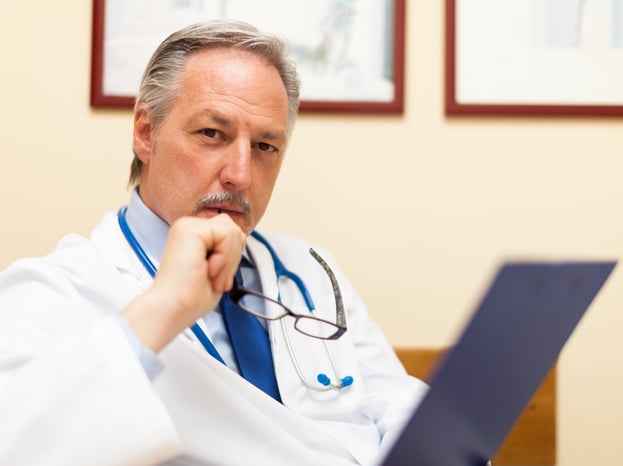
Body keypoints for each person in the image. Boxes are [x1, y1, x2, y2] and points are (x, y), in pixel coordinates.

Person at [0, 19, 427, 466]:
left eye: (265, 146)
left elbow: (397, 404)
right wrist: (164, 307)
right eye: (211, 134)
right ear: (146, 133)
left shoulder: (309, 269)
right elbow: (18, 441)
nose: (240, 174)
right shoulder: (57, 289)